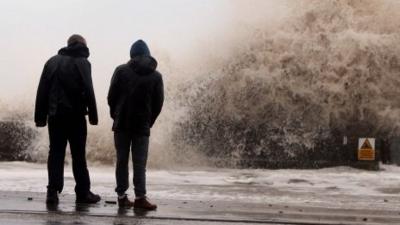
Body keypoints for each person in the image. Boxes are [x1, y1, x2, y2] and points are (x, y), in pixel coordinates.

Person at [34, 34, 101, 204]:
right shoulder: (83, 62)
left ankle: (52, 192)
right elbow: (89, 88)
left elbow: (42, 90)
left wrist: (40, 117)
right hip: (76, 116)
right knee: (78, 154)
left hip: (55, 115)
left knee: (55, 152)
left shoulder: (52, 61)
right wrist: (93, 115)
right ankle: (83, 193)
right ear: (81, 45)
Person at [108, 40, 164, 210]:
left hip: (122, 123)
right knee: (140, 164)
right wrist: (149, 121)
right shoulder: (156, 76)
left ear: (132, 55)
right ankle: (140, 197)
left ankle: (122, 197)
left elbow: (111, 97)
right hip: (142, 125)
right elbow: (158, 103)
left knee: (122, 161)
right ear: (148, 54)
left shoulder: (121, 70)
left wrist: (116, 115)